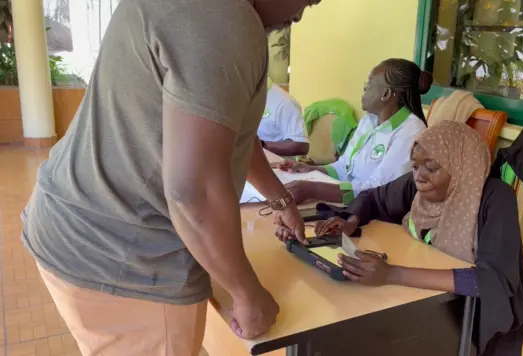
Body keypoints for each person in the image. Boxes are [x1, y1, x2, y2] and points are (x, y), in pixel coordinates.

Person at [20, 0, 320, 355]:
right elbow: (193, 193)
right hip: (127, 261)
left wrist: (280, 199)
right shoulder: (223, 20)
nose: (300, 14)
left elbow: (228, 133)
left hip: (73, 226)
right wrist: (247, 294)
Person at [292, 122, 523, 355]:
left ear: (461, 166)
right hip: (430, 298)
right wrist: (350, 223)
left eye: (431, 168)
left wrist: (393, 274)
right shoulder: (419, 188)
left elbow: (495, 280)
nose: (419, 176)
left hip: (479, 311)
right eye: (415, 166)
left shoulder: (495, 198)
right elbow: (374, 198)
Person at [278, 59, 432, 205]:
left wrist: (313, 190)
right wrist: (310, 170)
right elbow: (344, 167)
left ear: (385, 94)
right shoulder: (369, 121)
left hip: (373, 212)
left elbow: (377, 190)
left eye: (369, 84)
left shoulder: (411, 132)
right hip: (347, 200)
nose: (364, 89)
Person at [258, 80, 309, 157]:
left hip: (274, 166)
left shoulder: (285, 102)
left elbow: (300, 145)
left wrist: (260, 145)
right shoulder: (241, 96)